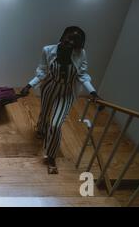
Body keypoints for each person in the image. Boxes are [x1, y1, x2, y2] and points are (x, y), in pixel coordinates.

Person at [20, 26, 99, 174]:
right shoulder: (48, 50)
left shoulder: (81, 54)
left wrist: (93, 92)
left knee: (56, 124)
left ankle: (51, 156)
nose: (70, 42)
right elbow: (42, 72)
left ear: (80, 44)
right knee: (45, 111)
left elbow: (82, 75)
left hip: (66, 91)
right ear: (62, 36)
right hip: (50, 87)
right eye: (69, 37)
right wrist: (29, 85)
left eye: (75, 40)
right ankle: (41, 129)